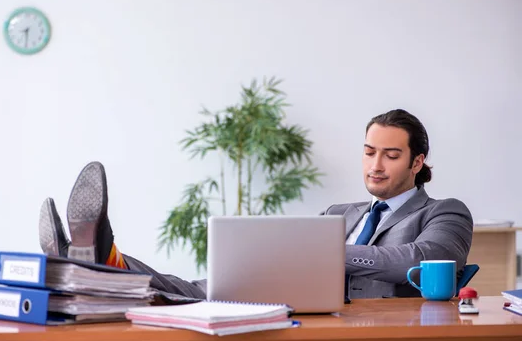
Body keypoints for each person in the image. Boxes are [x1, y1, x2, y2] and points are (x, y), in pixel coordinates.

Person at [38, 109, 473, 300]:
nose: (375, 165)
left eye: (391, 155)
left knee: (192, 297)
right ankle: (100, 258)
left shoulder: (444, 211)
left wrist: (324, 254)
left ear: (418, 161)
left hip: (361, 322)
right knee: (190, 291)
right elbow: (296, 254)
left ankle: (96, 261)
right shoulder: (343, 213)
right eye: (368, 151)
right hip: (292, 298)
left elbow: (423, 259)